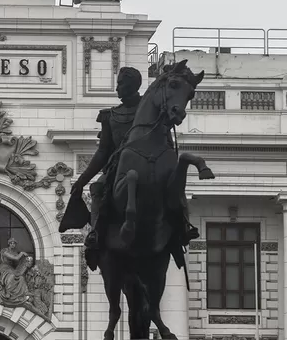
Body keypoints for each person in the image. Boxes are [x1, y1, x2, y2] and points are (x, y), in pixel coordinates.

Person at [60, 66, 200, 270]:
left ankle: (183, 226)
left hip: (153, 165)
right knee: (98, 188)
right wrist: (82, 181)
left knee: (174, 186)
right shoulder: (110, 116)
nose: (117, 88)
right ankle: (95, 233)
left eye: (121, 84)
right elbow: (102, 152)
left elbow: (166, 144)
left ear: (133, 86)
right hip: (119, 169)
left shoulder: (154, 111)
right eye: (118, 84)